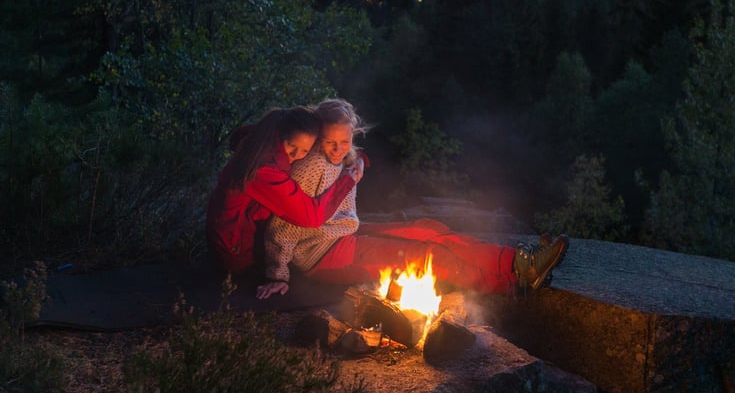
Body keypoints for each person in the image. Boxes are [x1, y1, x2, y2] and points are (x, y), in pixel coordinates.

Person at [257, 98, 567, 300]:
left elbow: (352, 159)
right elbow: (282, 226)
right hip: (323, 256)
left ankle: (519, 261)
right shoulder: (311, 166)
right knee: (428, 256)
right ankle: (514, 285)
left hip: (342, 235)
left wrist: (360, 161)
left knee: (426, 227)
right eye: (329, 142)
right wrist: (279, 274)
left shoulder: (343, 157)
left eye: (344, 141)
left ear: (354, 135)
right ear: (316, 138)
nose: (337, 149)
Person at [206, 105, 364, 275]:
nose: (297, 155)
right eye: (292, 146)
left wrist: (358, 159)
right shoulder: (262, 169)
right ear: (282, 135)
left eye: (305, 150)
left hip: (241, 237)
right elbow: (311, 217)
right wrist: (348, 179)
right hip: (237, 251)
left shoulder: (263, 141)